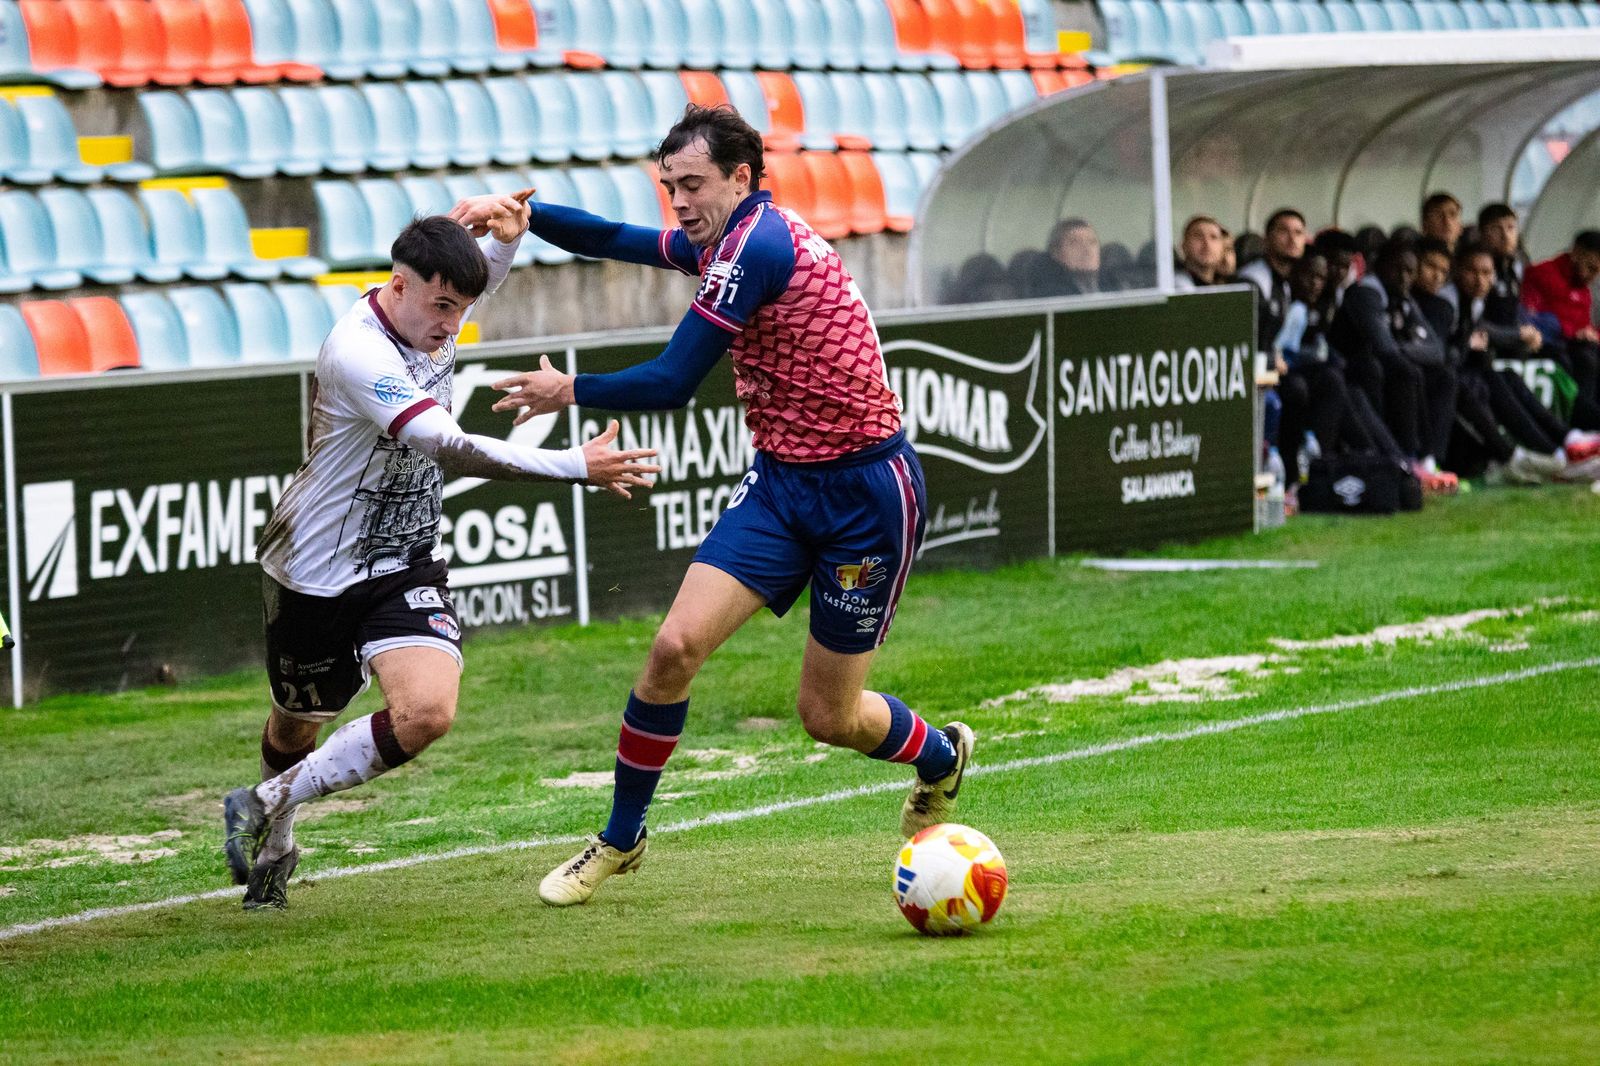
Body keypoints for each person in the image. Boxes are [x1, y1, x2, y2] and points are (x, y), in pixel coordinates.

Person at [467, 105, 974, 907]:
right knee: (672, 648)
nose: (678, 201)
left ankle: (940, 756)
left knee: (828, 717)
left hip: (865, 495)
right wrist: (528, 217)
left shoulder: (760, 243)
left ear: (742, 178)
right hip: (781, 486)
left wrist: (571, 388)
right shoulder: (726, 239)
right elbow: (617, 238)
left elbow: (672, 380)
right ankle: (622, 837)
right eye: (669, 185)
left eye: (692, 183)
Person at [219, 206, 661, 910]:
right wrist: (577, 465)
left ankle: (263, 802)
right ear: (398, 285)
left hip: (406, 560)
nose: (452, 326)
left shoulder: (432, 309)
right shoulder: (358, 351)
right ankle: (274, 839)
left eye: (463, 308)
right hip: (315, 567)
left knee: (427, 712)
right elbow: (450, 446)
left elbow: (476, 277)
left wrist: (509, 239)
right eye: (443, 307)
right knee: (295, 721)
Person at [1328, 238, 1459, 492]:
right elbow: (1382, 346)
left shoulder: (1404, 299)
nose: (1404, 277)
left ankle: (1431, 460)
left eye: (1410, 271)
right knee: (1399, 371)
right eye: (1397, 269)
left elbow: (1436, 350)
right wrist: (1404, 349)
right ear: (1379, 267)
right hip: (1355, 374)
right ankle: (1406, 458)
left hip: (1383, 370)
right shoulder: (1366, 292)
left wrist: (1402, 349)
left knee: (1444, 376)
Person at [1521, 230, 1600, 404]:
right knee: (1586, 361)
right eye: (1592, 268)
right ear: (1577, 253)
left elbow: (1584, 326)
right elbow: (1530, 317)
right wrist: (1572, 332)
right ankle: (1580, 415)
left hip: (1574, 345)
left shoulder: (1584, 291)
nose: (1594, 276)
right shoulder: (1542, 274)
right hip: (1547, 343)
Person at [1238, 208, 1306, 352]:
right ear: (1267, 239)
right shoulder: (1252, 279)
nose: (1292, 239)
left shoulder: (1285, 281)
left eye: (1298, 233)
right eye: (1283, 231)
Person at [1174, 214, 1228, 289]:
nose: (1207, 243)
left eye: (1213, 237)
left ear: (1223, 248)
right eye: (1198, 236)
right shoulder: (1175, 285)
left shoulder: (1229, 284)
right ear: (1184, 246)